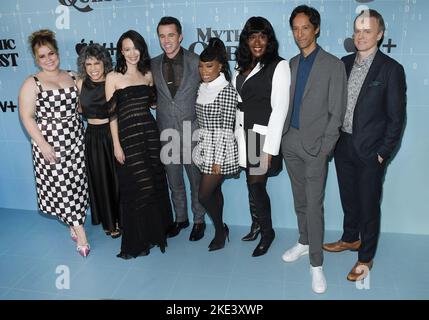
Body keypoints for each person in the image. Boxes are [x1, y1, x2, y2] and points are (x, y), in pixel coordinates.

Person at [323, 9, 406, 282]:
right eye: (358, 31)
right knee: (349, 198)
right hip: (342, 145)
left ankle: (365, 256)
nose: (361, 36)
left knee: (369, 205)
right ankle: (350, 239)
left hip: (371, 151)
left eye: (367, 31)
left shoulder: (391, 69)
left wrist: (383, 153)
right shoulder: (343, 63)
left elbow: (397, 119)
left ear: (379, 34)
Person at [280, 5, 347, 294]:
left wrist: (325, 148)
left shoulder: (333, 65)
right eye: (295, 28)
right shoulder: (290, 63)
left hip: (316, 147)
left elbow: (338, 112)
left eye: (305, 27)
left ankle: (316, 264)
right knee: (299, 201)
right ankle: (305, 242)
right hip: (290, 142)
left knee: (314, 206)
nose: (300, 33)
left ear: (316, 29)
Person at [18, 29, 90, 257]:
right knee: (63, 188)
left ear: (57, 53)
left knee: (78, 184)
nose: (48, 59)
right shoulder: (32, 83)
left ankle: (72, 222)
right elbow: (27, 117)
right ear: (36, 59)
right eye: (42, 56)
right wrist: (43, 145)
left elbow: (83, 107)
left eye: (51, 53)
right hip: (50, 144)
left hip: (76, 140)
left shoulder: (73, 76)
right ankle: (81, 236)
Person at [105, 30, 173, 259]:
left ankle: (155, 233)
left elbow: (153, 104)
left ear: (141, 49)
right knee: (140, 187)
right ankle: (138, 238)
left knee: (154, 182)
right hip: (127, 139)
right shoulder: (112, 77)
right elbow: (112, 116)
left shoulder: (148, 74)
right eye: (126, 49)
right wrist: (116, 145)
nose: (132, 53)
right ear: (120, 52)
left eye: (135, 48)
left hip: (149, 135)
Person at [233, 17, 290, 257]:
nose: (257, 42)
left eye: (262, 36)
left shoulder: (279, 66)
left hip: (260, 137)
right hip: (242, 135)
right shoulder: (241, 66)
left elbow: (280, 109)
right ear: (246, 40)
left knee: (257, 187)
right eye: (252, 36)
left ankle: (268, 232)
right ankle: (256, 224)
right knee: (250, 184)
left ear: (269, 39)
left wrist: (269, 148)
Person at [151, 16, 206, 241]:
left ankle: (199, 221)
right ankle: (181, 219)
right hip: (166, 131)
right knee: (174, 181)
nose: (167, 40)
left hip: (192, 130)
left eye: (171, 35)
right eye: (162, 36)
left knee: (196, 181)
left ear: (180, 36)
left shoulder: (196, 61)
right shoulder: (152, 64)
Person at [193, 38, 239, 251]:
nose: (204, 71)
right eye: (201, 66)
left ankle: (220, 231)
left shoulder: (226, 91)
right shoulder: (203, 87)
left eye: (209, 66)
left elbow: (226, 129)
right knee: (214, 193)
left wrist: (218, 161)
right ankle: (222, 229)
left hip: (221, 151)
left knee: (203, 195)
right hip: (205, 149)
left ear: (221, 65)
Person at [76, 43, 121, 239]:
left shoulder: (112, 81)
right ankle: (109, 221)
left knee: (117, 180)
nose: (93, 68)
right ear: (83, 66)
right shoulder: (79, 84)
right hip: (92, 136)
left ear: (105, 63)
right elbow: (77, 108)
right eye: (88, 64)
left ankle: (121, 219)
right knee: (100, 180)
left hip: (111, 134)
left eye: (97, 63)